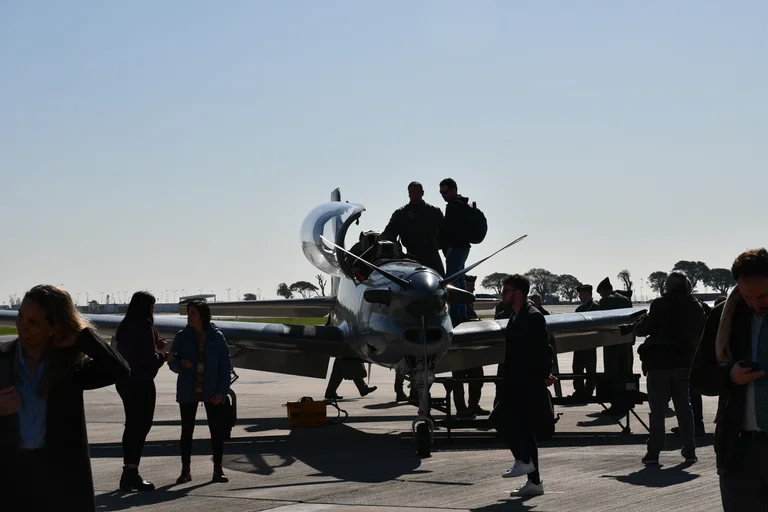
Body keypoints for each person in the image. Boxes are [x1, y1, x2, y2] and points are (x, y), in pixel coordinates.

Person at [0, 285, 130, 511]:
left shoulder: (70, 368)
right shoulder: (2, 360)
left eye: (33, 322)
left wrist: (84, 338)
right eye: (20, 315)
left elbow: (119, 370)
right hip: (10, 478)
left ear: (54, 327)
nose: (21, 325)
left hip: (58, 481)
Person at [690, 248, 768, 511]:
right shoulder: (726, 316)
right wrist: (730, 376)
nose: (757, 304)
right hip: (739, 450)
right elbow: (699, 378)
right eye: (748, 297)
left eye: (764, 296)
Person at [634, 272, 706, 465]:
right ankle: (690, 450)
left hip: (659, 363)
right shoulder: (695, 306)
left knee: (657, 409)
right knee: (684, 405)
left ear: (670, 286)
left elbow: (644, 329)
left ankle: (654, 452)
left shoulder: (660, 304)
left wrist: (638, 324)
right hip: (683, 363)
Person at [491, 274, 554, 497]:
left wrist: (544, 376)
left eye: (506, 290)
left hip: (525, 384)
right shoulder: (516, 315)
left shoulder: (533, 316)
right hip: (515, 383)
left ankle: (523, 460)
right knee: (526, 431)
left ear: (518, 293)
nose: (502, 294)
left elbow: (544, 350)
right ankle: (534, 482)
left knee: (498, 419)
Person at [168, 300, 233, 484]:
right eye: (188, 313)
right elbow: (172, 361)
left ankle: (217, 469)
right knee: (186, 432)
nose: (189, 317)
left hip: (212, 391)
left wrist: (222, 391)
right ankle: (185, 470)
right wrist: (181, 365)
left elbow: (225, 366)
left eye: (193, 313)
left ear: (202, 315)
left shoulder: (216, 337)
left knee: (217, 430)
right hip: (188, 390)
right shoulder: (181, 336)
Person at [114, 291, 170, 491]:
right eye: (153, 306)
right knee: (141, 427)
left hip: (124, 382)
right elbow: (149, 361)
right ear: (147, 307)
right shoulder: (145, 325)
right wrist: (165, 356)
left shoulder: (126, 324)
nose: (153, 310)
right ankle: (131, 473)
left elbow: (134, 351)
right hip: (141, 383)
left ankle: (128, 472)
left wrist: (155, 346)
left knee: (131, 426)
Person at [380, 181, 445, 276]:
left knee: (441, 283)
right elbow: (389, 235)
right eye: (411, 193)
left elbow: (445, 232)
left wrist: (446, 249)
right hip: (411, 258)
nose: (413, 195)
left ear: (422, 193)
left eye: (416, 192)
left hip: (433, 255)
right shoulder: (401, 214)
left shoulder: (434, 211)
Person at [446, 275, 488, 416]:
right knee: (458, 380)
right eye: (470, 287)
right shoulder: (454, 307)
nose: (473, 289)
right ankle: (461, 408)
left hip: (472, 348)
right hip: (459, 348)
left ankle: (473, 405)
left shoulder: (468, 305)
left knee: (477, 377)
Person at [596, 277, 634, 416]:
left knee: (613, 373)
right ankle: (628, 401)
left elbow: (600, 320)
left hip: (612, 342)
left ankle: (616, 404)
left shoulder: (606, 301)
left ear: (604, 291)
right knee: (626, 372)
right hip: (627, 341)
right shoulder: (625, 299)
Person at [438, 178, 473, 323]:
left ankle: (456, 315)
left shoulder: (453, 206)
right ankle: (463, 313)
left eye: (445, 192)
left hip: (456, 248)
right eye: (441, 193)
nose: (443, 195)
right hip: (463, 247)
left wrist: (449, 246)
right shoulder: (463, 204)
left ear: (453, 190)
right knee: (460, 280)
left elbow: (453, 228)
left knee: (451, 281)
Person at [572, 284, 599, 399]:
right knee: (577, 368)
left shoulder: (596, 308)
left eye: (581, 295)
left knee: (590, 369)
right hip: (579, 343)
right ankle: (579, 391)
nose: (579, 297)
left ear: (587, 294)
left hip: (590, 343)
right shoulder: (579, 309)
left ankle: (588, 391)